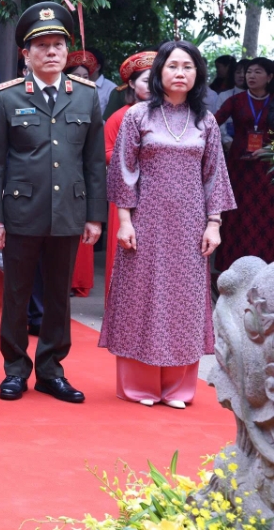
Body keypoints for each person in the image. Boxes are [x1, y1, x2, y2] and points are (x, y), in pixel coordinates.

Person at [0, 2, 107, 404]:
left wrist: (95, 216)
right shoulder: (7, 97)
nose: (52, 52)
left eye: (58, 45)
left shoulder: (86, 97)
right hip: (20, 212)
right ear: (27, 54)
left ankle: (52, 370)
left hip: (68, 212)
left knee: (58, 295)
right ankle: (15, 369)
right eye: (42, 46)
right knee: (16, 295)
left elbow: (93, 163)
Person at [103, 40, 234, 408]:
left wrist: (214, 224)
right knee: (141, 298)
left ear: (198, 75)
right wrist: (124, 220)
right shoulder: (138, 116)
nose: (180, 73)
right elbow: (123, 170)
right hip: (146, 219)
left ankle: (178, 388)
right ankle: (140, 385)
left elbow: (214, 175)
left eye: (188, 67)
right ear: (160, 72)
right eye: (173, 66)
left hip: (191, 223)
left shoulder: (205, 120)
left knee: (185, 301)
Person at [102, 52, 156, 297]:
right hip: (127, 191)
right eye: (146, 80)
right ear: (132, 84)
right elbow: (106, 151)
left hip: (159, 193)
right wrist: (140, 162)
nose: (153, 86)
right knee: (125, 249)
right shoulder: (119, 116)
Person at [214, 57, 274, 269]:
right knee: (236, 215)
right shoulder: (235, 100)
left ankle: (264, 266)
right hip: (238, 168)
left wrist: (268, 149)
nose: (251, 76)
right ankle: (230, 266)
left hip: (266, 169)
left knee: (264, 216)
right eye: (249, 72)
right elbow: (213, 123)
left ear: (269, 77)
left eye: (258, 72)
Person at [64, 50, 101, 298]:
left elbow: (95, 159)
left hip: (80, 186)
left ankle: (77, 281)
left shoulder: (92, 99)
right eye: (75, 75)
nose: (81, 79)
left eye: (85, 76)